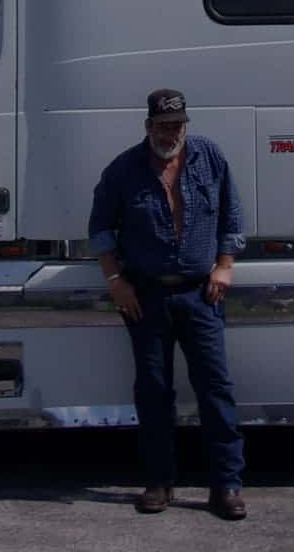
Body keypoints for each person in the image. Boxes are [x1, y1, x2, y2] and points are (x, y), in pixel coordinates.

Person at [89, 87, 248, 520]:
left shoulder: (209, 157)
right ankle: (159, 482)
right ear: (148, 126)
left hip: (201, 293)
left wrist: (225, 266)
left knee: (215, 389)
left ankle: (227, 486)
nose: (170, 133)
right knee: (154, 391)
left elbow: (232, 215)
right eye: (163, 126)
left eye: (177, 125)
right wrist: (115, 280)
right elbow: (101, 228)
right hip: (146, 296)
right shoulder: (123, 170)